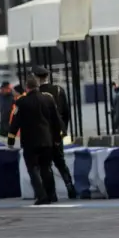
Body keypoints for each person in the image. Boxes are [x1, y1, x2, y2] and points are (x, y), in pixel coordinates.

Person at [7, 77, 63, 205]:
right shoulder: (48, 99)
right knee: (46, 168)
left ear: (27, 88)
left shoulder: (21, 102)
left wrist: (10, 140)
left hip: (30, 141)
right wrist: (57, 138)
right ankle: (52, 195)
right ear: (38, 86)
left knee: (33, 169)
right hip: (47, 140)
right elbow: (56, 121)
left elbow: (15, 123)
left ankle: (41, 196)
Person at [33, 66, 76, 199]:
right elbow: (66, 113)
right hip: (57, 133)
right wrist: (63, 131)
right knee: (60, 162)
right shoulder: (58, 90)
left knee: (45, 165)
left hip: (42, 135)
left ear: (36, 77)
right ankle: (70, 187)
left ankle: (51, 193)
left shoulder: (36, 95)